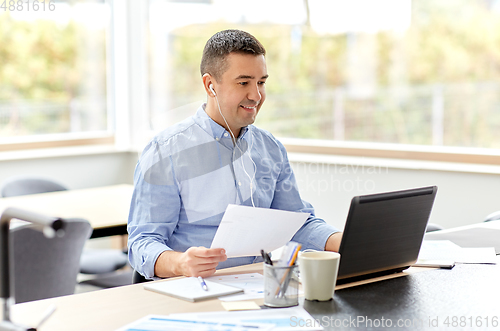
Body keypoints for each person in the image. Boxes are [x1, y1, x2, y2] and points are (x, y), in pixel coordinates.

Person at [128, 29, 342, 280]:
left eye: (261, 82)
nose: (256, 95)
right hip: (192, 290)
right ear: (210, 85)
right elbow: (143, 242)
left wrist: (353, 242)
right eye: (243, 83)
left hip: (259, 287)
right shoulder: (165, 152)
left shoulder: (270, 149)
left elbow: (298, 224)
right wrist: (181, 263)